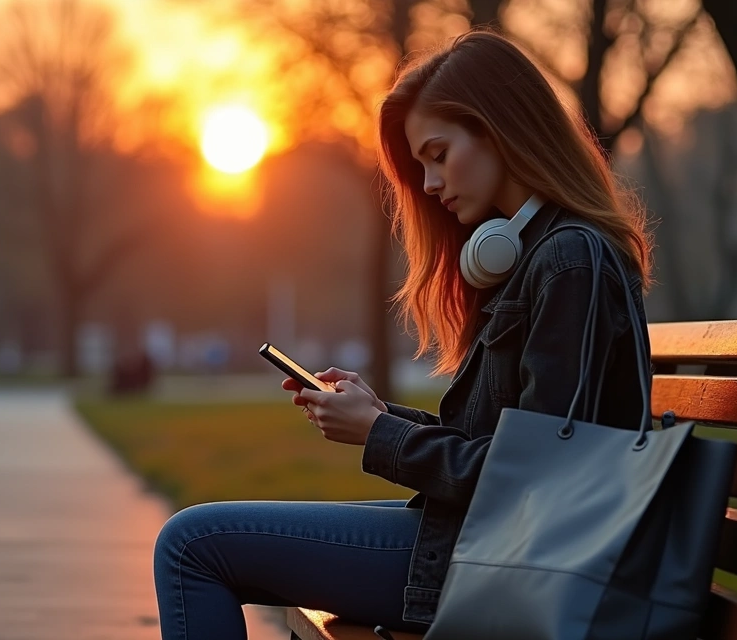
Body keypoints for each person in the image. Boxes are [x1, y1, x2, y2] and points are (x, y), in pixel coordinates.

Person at [152, 29, 653, 639]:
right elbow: (504, 448)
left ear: (500, 129)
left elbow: (540, 482)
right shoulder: (543, 257)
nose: (431, 184)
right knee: (204, 539)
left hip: (510, 566)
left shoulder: (569, 262)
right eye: (421, 166)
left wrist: (380, 436)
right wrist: (379, 415)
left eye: (438, 154)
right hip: (483, 545)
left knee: (191, 544)